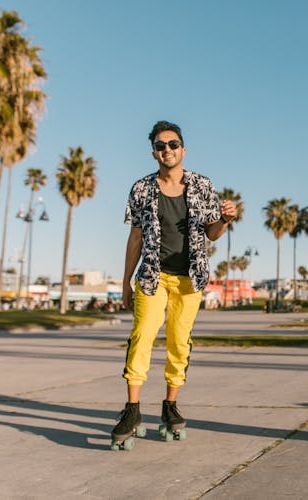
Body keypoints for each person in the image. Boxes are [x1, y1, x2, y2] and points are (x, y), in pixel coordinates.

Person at [111, 120, 238, 449]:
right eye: (160, 145)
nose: (167, 150)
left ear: (183, 149)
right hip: (153, 278)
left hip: (189, 280)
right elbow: (135, 237)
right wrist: (125, 281)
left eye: (172, 144)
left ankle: (170, 406)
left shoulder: (202, 185)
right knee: (141, 338)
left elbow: (211, 233)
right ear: (153, 152)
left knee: (179, 344)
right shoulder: (141, 189)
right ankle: (132, 410)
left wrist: (224, 219)